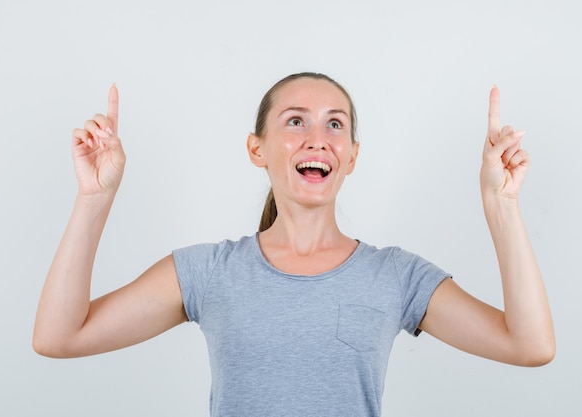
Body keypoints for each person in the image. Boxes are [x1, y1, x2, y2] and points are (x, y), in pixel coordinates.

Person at [33, 73, 555, 416]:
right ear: (256, 149)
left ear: (350, 156)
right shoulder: (209, 272)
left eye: (335, 124)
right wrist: (94, 198)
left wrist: (502, 206)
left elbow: (530, 346)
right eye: (295, 121)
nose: (317, 137)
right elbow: (59, 337)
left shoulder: (396, 277)